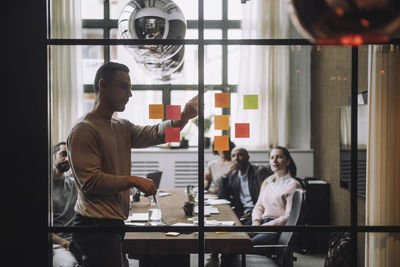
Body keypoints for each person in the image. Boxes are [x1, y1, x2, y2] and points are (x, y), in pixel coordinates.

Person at [67, 62, 198, 267]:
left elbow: (157, 134)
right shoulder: (84, 129)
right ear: (103, 85)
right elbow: (90, 182)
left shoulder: (120, 126)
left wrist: (184, 117)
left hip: (111, 224)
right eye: (124, 86)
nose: (130, 94)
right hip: (95, 226)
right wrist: (133, 180)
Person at [209, 148, 271, 267]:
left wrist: (252, 214)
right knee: (216, 225)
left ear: (248, 157)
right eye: (233, 156)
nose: (236, 158)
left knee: (229, 236)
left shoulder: (259, 171)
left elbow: (264, 197)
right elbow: (223, 196)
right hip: (242, 213)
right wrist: (225, 175)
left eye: (240, 155)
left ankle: (223, 260)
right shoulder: (233, 176)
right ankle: (215, 257)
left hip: (257, 214)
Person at [251, 146, 302, 247]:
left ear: (287, 161)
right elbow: (259, 206)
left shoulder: (293, 185)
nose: (274, 160)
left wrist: (264, 227)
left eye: (279, 157)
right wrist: (256, 222)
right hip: (261, 222)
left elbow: (289, 217)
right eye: (272, 157)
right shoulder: (267, 181)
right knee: (235, 238)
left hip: (276, 228)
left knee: (245, 244)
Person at [51, 141, 81, 267]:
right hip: (57, 244)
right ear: (52, 157)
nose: (67, 159)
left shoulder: (73, 184)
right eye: (63, 154)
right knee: (69, 265)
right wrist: (63, 242)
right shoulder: (44, 186)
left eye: (70, 155)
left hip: (78, 242)